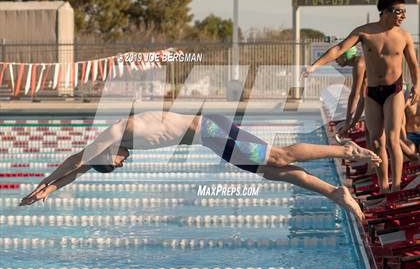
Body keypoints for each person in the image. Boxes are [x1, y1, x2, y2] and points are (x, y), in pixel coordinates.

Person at [19, 111, 382, 223]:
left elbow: (75, 161)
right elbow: (80, 167)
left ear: (109, 156)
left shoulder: (114, 135)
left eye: (116, 164)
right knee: (271, 170)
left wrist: (47, 182)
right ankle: (336, 193)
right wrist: (46, 190)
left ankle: (344, 150)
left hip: (211, 129)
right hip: (213, 137)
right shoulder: (112, 144)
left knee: (278, 157)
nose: (122, 161)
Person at [303, 0, 420, 193]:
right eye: (399, 12)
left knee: (392, 138)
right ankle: (384, 187)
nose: (403, 16)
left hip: (395, 91)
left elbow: (414, 66)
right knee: (375, 140)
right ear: (385, 12)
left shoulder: (404, 36)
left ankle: (396, 188)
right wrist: (314, 66)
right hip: (373, 92)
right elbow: (339, 48)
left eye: (404, 12)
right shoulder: (365, 33)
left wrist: (417, 85)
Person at [334, 47, 367, 137]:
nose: (336, 60)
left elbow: (354, 96)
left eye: (337, 57)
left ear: (345, 56)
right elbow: (362, 99)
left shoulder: (359, 63)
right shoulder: (362, 62)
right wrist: (352, 123)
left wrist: (347, 124)